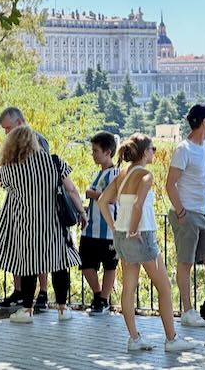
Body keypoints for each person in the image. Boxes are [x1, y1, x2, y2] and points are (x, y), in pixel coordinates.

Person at [98, 133, 195, 352]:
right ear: (144, 152)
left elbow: (103, 201)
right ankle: (171, 339)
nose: (155, 152)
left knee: (129, 288)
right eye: (152, 149)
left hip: (122, 235)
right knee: (164, 287)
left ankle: (134, 338)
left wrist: (116, 228)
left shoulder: (122, 174)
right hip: (141, 235)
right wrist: (133, 229)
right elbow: (138, 206)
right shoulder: (145, 175)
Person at [0, 125, 85, 323]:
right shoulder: (55, 162)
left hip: (27, 225)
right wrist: (82, 212)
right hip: (55, 224)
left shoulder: (13, 169)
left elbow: (0, 181)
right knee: (59, 263)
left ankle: (27, 310)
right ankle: (63, 309)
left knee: (29, 266)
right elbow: (72, 189)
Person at [165, 103, 205, 327]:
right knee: (185, 262)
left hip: (204, 213)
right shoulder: (184, 149)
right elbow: (170, 184)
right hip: (188, 213)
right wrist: (180, 212)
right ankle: (187, 310)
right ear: (203, 122)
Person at [0, 106, 50, 311]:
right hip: (17, 203)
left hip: (35, 205)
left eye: (7, 128)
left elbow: (40, 173)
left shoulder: (37, 141)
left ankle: (41, 292)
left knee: (38, 249)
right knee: (17, 248)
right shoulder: (15, 145)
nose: (6, 133)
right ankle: (20, 292)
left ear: (18, 123)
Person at [80, 132, 119, 316]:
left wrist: (92, 194)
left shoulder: (115, 173)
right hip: (91, 228)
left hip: (109, 230)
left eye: (96, 150)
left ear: (108, 152)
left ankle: (103, 299)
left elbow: (113, 199)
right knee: (86, 264)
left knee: (109, 266)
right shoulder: (99, 173)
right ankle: (98, 295)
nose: (93, 154)